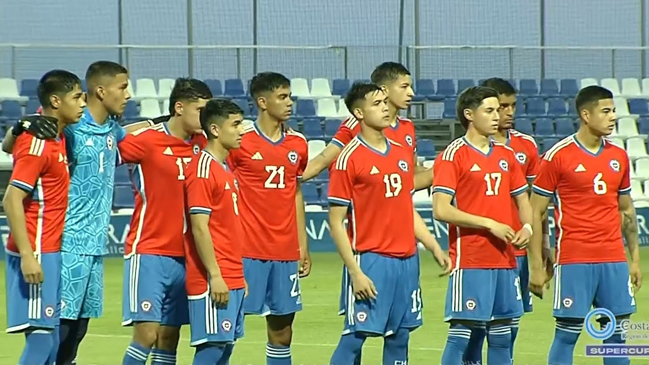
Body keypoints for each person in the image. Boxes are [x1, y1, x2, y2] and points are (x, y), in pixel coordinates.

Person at [528, 86, 642, 365]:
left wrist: (634, 260)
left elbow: (626, 211)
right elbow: (534, 212)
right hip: (575, 258)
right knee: (568, 333)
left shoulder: (619, 157)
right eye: (606, 111)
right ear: (585, 114)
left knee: (616, 334)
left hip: (613, 258)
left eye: (614, 110)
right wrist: (536, 265)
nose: (613, 117)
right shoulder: (558, 156)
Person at [327, 82, 434, 365]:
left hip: (407, 260)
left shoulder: (400, 151)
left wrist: (433, 246)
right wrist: (354, 272)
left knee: (400, 336)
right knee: (355, 337)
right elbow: (336, 222)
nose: (385, 108)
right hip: (371, 261)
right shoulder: (348, 159)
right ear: (359, 113)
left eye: (386, 102)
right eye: (377, 104)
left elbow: (404, 207)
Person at [432, 86, 532, 365]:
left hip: (505, 258)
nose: (497, 116)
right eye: (489, 110)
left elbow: (523, 200)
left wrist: (528, 228)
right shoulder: (454, 155)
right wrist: (489, 224)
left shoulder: (507, 155)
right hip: (471, 259)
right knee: (461, 333)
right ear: (469, 114)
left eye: (498, 110)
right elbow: (441, 209)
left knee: (502, 334)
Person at [118, 78, 212, 365]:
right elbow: (108, 141)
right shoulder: (146, 140)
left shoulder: (205, 143)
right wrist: (149, 122)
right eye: (200, 110)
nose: (205, 118)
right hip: (149, 251)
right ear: (179, 108)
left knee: (170, 337)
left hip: (187, 255)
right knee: (146, 334)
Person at [459, 78, 551, 364]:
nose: (507, 112)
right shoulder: (463, 150)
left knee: (508, 327)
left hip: (518, 251)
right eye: (500, 106)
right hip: (482, 250)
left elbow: (537, 205)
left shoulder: (525, 146)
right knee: (474, 327)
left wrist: (541, 250)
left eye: (512, 106)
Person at [225, 72, 309, 365]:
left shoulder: (298, 144)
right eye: (282, 97)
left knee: (282, 332)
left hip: (285, 251)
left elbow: (295, 192)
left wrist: (302, 246)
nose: (289, 102)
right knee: (226, 330)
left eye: (289, 96)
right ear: (262, 101)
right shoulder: (240, 141)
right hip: (245, 250)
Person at [3, 70, 85, 365]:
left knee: (49, 339)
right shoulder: (39, 141)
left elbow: (7, 145)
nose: (83, 103)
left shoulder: (56, 136)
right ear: (55, 100)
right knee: (41, 340)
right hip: (36, 248)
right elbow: (11, 198)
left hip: (49, 247)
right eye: (76, 97)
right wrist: (28, 255)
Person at [184, 99, 247, 365]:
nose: (242, 130)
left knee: (225, 349)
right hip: (212, 278)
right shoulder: (202, 169)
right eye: (235, 124)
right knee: (211, 350)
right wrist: (216, 275)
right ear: (215, 129)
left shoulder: (227, 171)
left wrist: (238, 276)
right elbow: (199, 228)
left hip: (232, 274)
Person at [301, 62, 432, 190]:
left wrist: (439, 170)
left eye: (411, 87)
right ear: (385, 90)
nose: (411, 93)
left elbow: (411, 170)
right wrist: (287, 183)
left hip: (398, 207)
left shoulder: (407, 126)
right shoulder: (357, 124)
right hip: (364, 209)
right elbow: (320, 163)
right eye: (404, 87)